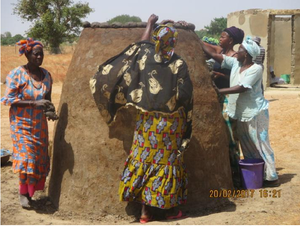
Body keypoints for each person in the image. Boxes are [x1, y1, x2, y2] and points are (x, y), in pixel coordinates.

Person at [90, 14, 193, 223]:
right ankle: (167, 211)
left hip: (146, 122)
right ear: (173, 42)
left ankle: (145, 213)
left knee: (144, 160)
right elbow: (184, 95)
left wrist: (149, 24)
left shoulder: (145, 57)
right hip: (169, 124)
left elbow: (141, 43)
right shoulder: (178, 63)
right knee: (165, 163)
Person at [202, 36, 279, 187]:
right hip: (242, 112)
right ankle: (258, 174)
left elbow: (242, 87)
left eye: (241, 50)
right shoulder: (236, 64)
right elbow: (215, 55)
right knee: (248, 144)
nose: (238, 52)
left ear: (248, 54)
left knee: (261, 143)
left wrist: (219, 90)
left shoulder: (256, 69)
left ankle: (272, 176)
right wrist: (194, 38)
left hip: (256, 112)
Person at [1, 38, 59, 208]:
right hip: (21, 124)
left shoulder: (46, 76)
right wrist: (35, 103)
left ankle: (31, 191)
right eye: (36, 54)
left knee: (39, 157)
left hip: (39, 125)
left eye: (41, 54)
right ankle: (23, 193)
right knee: (27, 157)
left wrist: (49, 111)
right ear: (27, 54)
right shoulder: (16, 74)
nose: (39, 57)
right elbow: (9, 100)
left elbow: (47, 100)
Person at [202, 26, 244, 186]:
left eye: (223, 36)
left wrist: (221, 76)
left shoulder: (234, 56)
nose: (220, 38)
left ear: (231, 40)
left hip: (228, 98)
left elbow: (237, 80)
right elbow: (204, 45)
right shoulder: (220, 50)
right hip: (218, 98)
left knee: (231, 135)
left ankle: (236, 174)